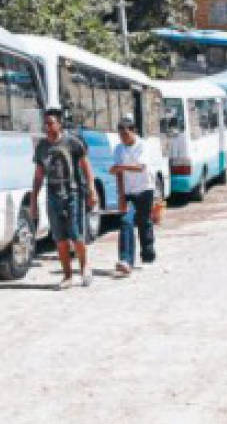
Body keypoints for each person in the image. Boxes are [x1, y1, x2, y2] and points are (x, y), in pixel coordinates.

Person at [32, 107, 97, 288]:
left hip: (73, 193)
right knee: (59, 239)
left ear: (59, 124)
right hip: (53, 196)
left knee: (76, 235)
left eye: (50, 123)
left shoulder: (73, 142)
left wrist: (92, 190)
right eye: (45, 123)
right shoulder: (42, 147)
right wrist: (33, 201)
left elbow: (86, 168)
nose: (47, 126)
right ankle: (67, 276)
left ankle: (85, 268)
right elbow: (38, 175)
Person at [110, 115, 157, 276]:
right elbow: (119, 174)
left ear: (133, 132)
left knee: (144, 222)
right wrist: (121, 195)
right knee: (125, 221)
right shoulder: (118, 149)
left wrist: (120, 167)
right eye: (120, 135)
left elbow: (140, 167)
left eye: (125, 134)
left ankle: (148, 253)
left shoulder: (143, 146)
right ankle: (126, 260)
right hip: (128, 192)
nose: (123, 138)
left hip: (145, 189)